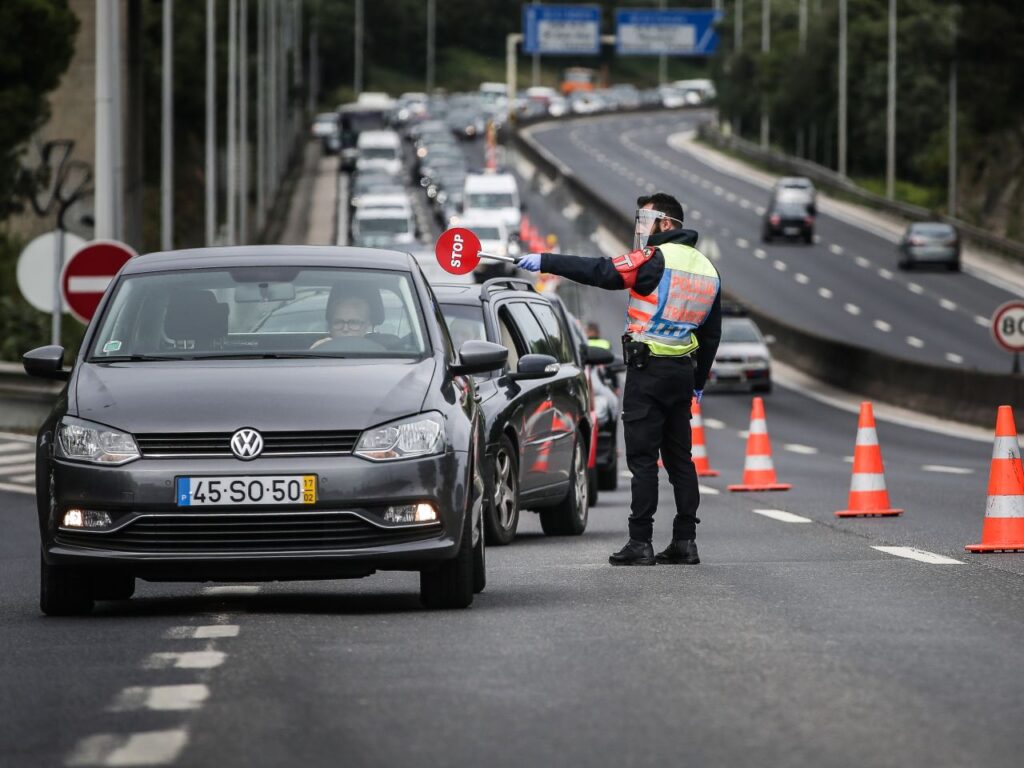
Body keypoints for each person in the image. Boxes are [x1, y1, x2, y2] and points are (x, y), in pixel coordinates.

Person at [518, 192, 722, 566]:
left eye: (645, 221)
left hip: (647, 373)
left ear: (666, 223)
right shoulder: (707, 268)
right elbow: (711, 334)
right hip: (682, 373)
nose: (641, 229)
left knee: (643, 460)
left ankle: (640, 541)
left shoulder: (653, 260)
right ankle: (685, 540)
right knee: (681, 461)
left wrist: (546, 261)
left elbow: (601, 271)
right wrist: (697, 383)